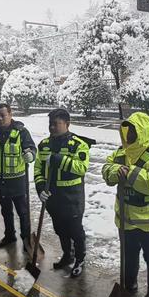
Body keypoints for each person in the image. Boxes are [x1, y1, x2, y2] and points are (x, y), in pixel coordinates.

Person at [102, 112, 149, 297]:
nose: (128, 135)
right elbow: (106, 170)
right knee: (129, 255)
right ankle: (129, 285)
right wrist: (115, 171)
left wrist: (130, 172)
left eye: (132, 131)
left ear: (142, 132)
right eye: (126, 131)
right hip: (125, 219)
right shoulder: (120, 153)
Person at [34, 108, 93, 278]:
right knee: (60, 230)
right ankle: (67, 255)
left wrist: (57, 159)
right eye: (50, 124)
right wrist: (40, 188)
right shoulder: (44, 145)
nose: (52, 127)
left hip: (72, 198)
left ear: (67, 124)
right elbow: (38, 168)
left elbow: (81, 168)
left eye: (56, 124)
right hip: (52, 198)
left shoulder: (78, 144)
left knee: (75, 231)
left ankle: (80, 259)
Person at [0, 103, 36, 251]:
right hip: (0, 181)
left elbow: (32, 148)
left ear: (10, 114)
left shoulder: (21, 132)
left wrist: (30, 155)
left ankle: (26, 240)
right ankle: (9, 236)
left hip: (17, 181)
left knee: (23, 212)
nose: (0, 118)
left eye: (3, 115)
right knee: (5, 211)